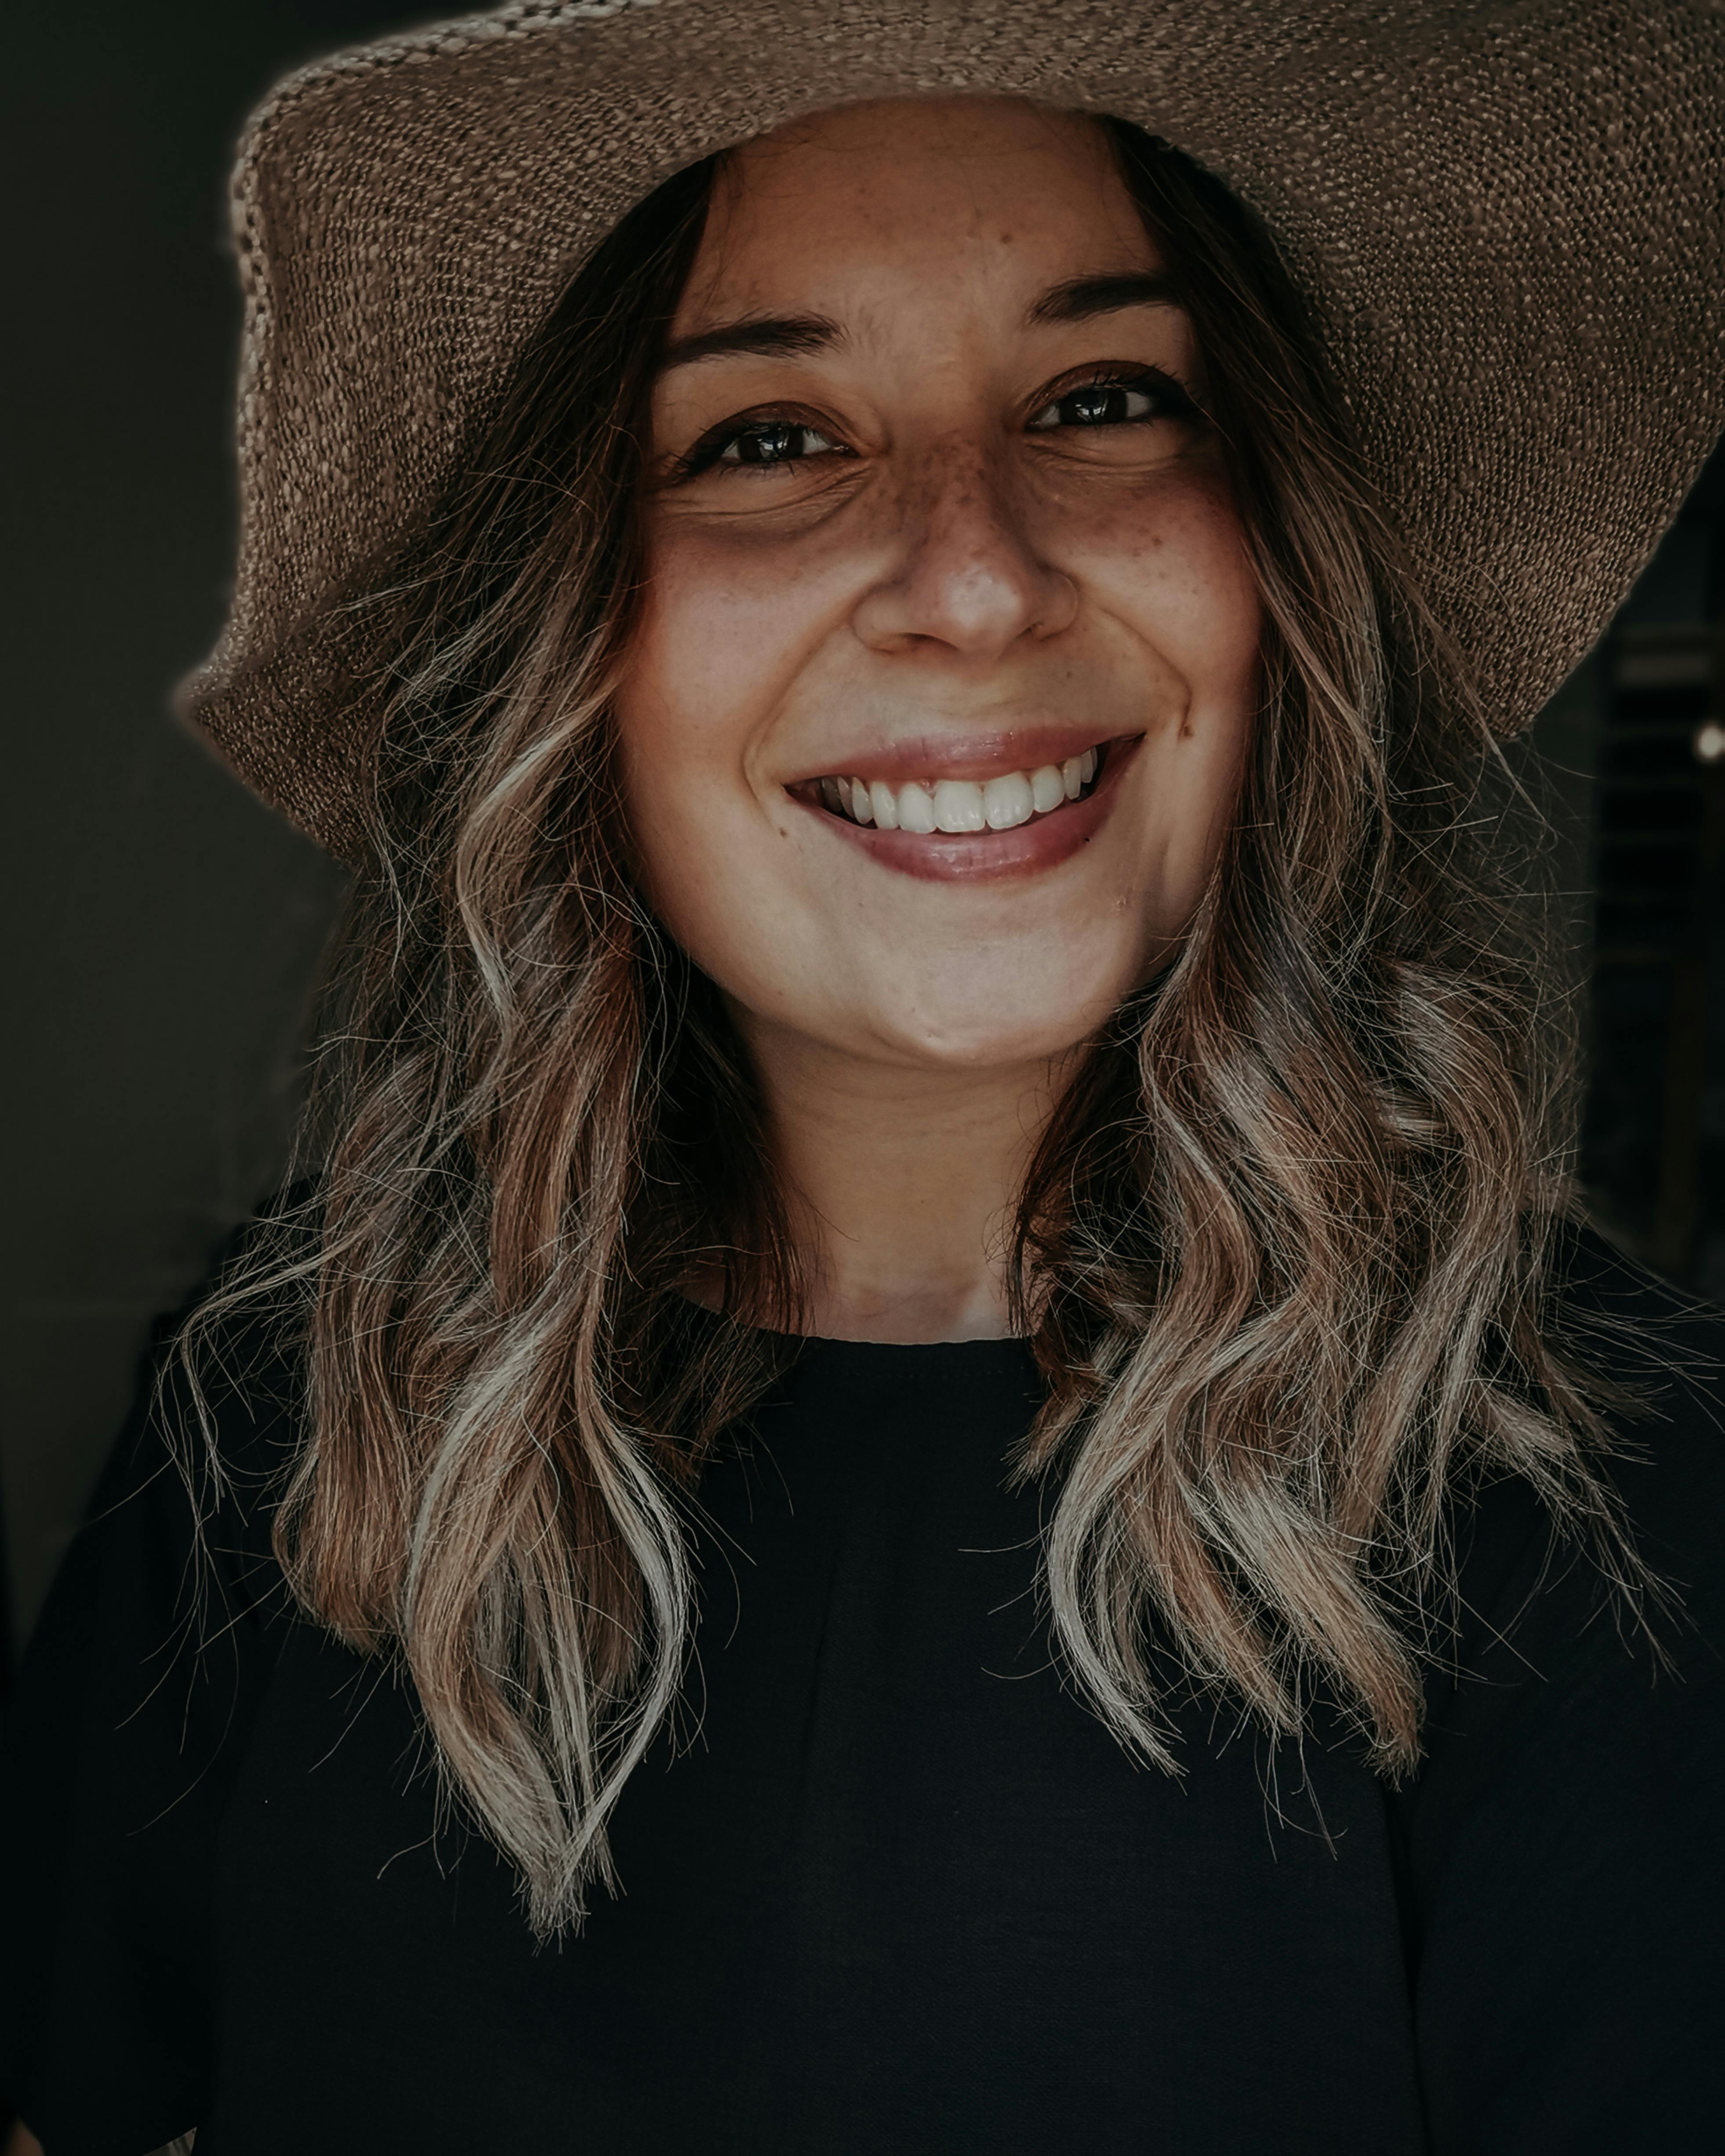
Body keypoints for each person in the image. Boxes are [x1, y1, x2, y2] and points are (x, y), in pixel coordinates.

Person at [4, 4, 1723, 2151]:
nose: (979, 577)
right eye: (767, 437)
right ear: (569, 649)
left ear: (1275, 564)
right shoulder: (287, 1408)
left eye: (1103, 398)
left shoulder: (1602, 1493)